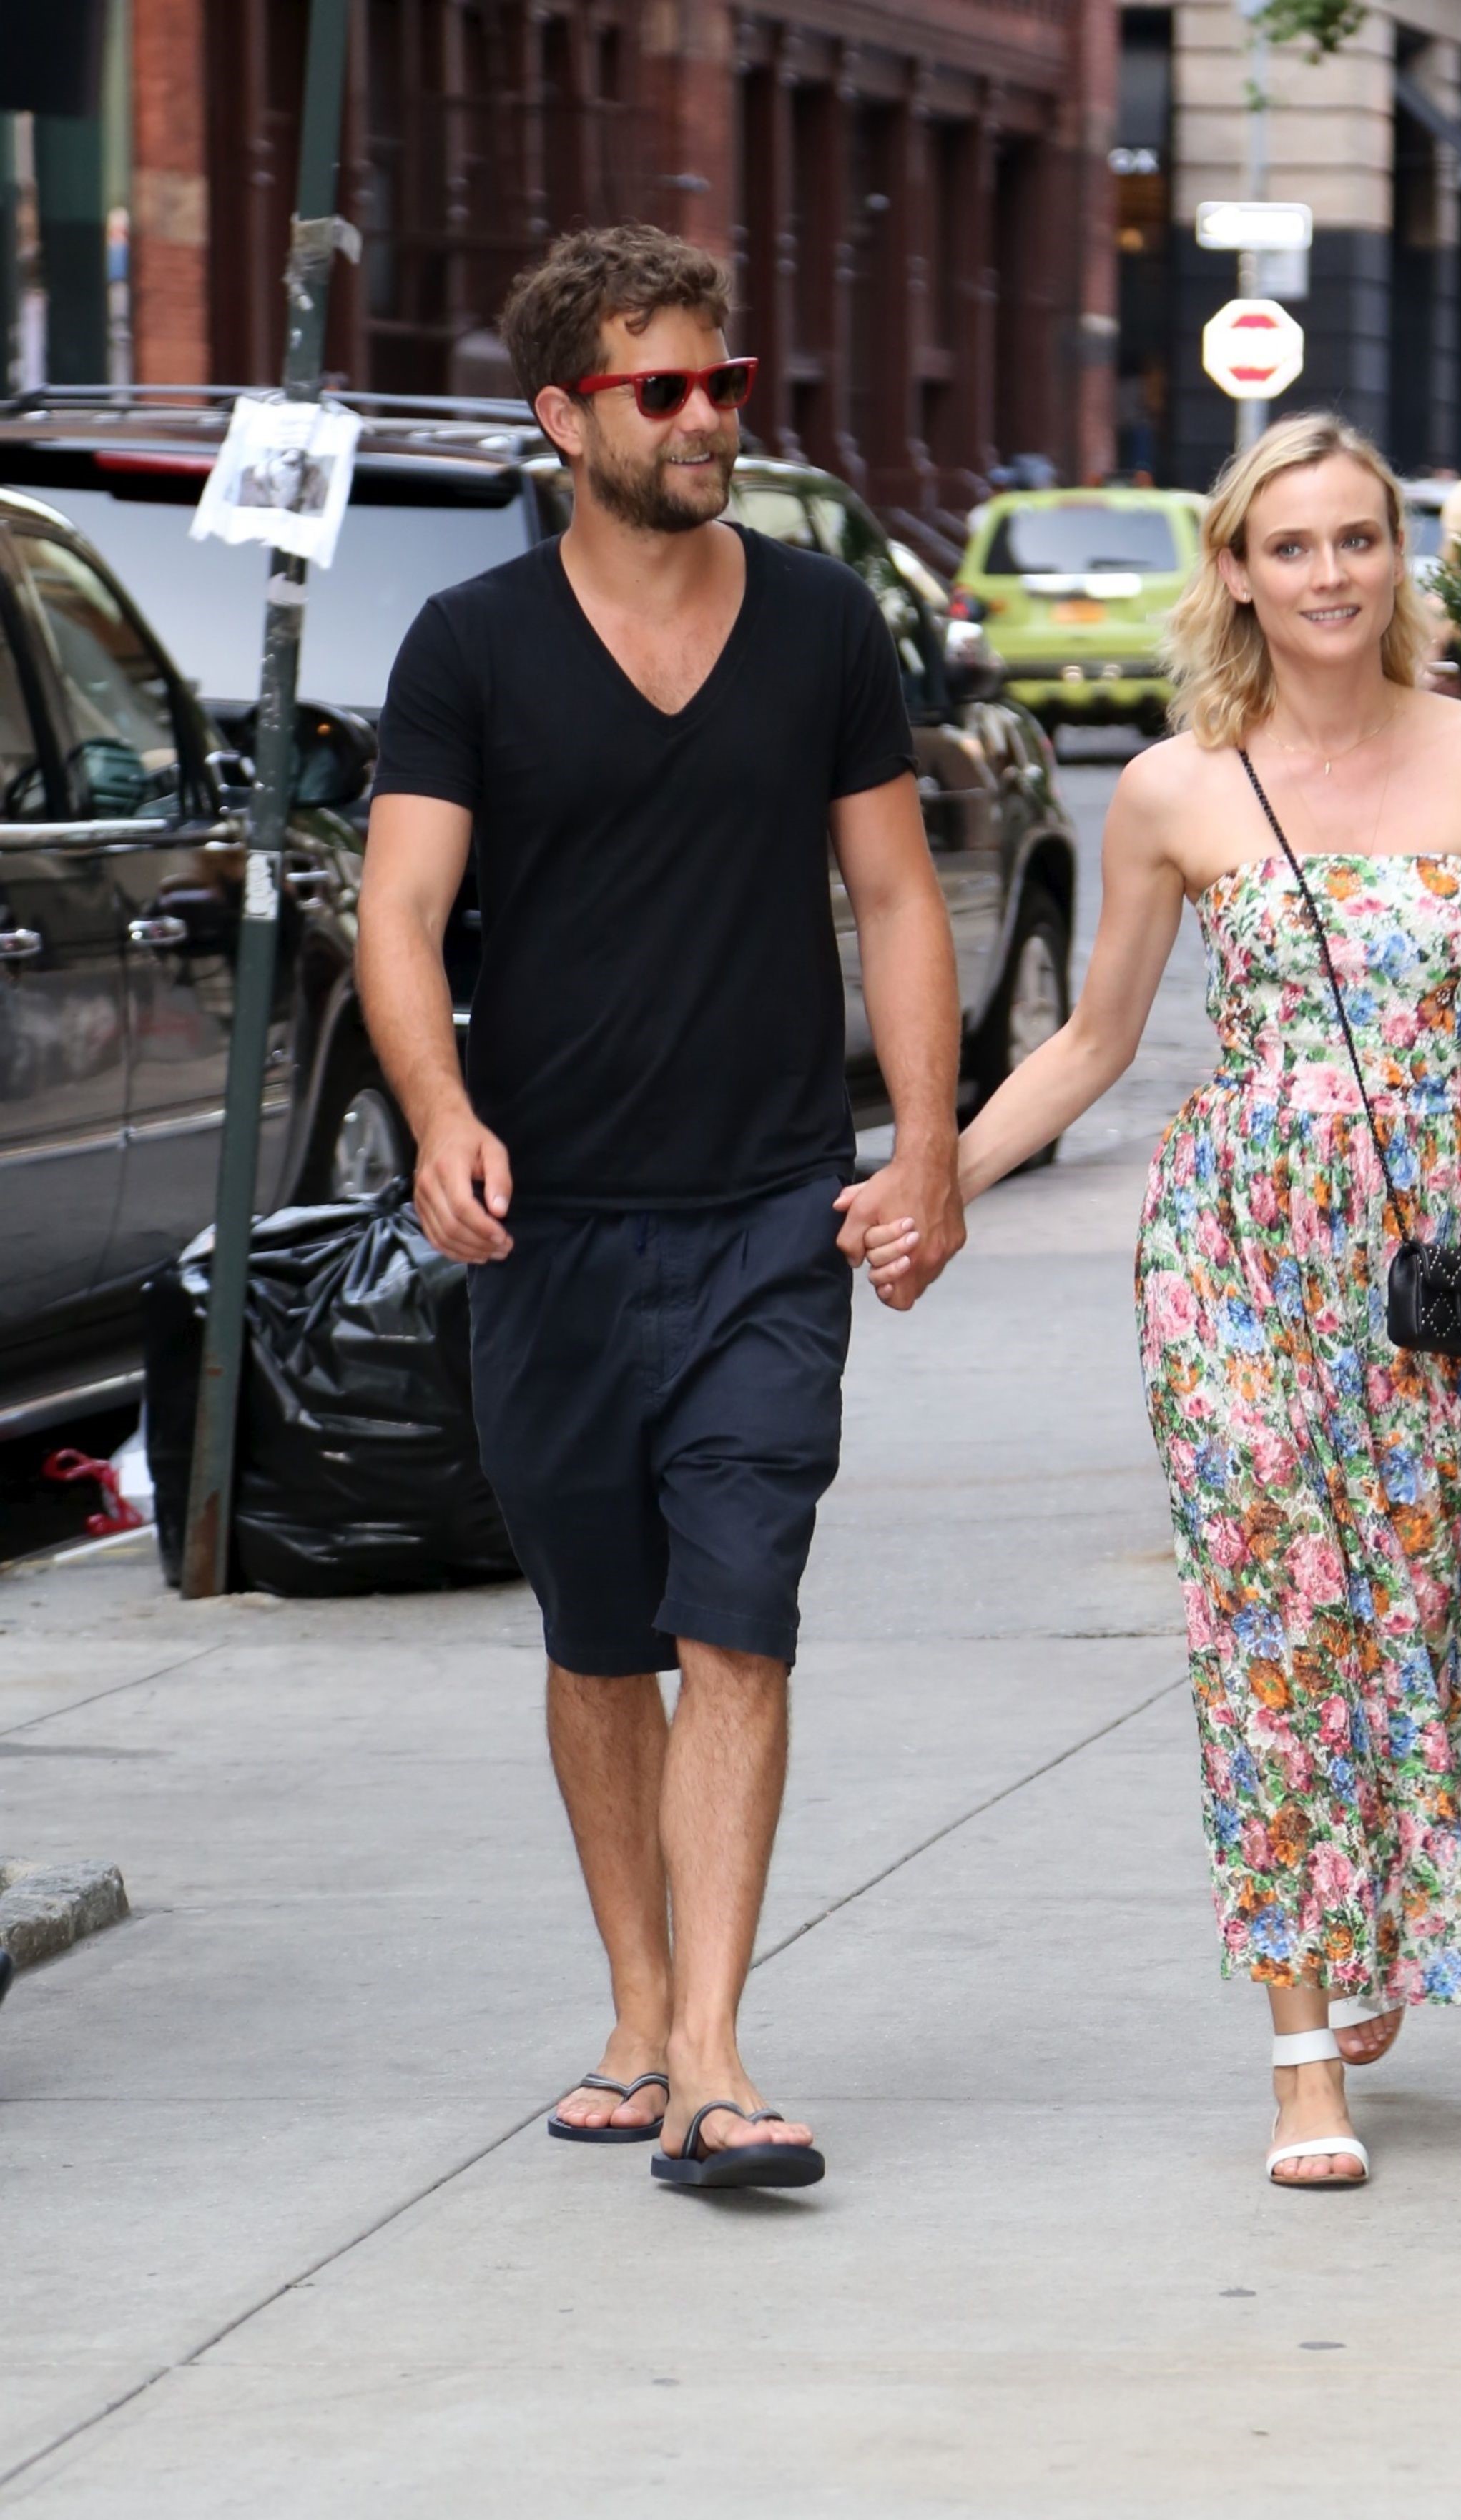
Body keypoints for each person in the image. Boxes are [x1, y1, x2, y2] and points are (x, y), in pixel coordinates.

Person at [848, 412, 1461, 2189]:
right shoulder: (1176, 789)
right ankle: (1300, 2058)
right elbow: (1091, 1041)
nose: (1333, 574)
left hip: (1427, 1250)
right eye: (1294, 548)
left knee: (1407, 1624)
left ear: (1397, 560)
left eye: (1360, 540)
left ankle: (1380, 1911)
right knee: (1268, 1623)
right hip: (1230, 1248)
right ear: (1237, 572)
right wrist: (933, 1182)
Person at [357, 225, 965, 2189]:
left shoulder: (815, 628)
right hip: (550, 1228)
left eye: (720, 382)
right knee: (599, 1634)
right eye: (663, 391)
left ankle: (710, 2049)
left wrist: (930, 1147)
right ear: (564, 419)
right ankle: (635, 2001)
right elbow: (398, 911)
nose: (710, 417)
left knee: (739, 1618)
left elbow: (892, 900)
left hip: (768, 1217)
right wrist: (437, 1111)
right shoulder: (470, 644)